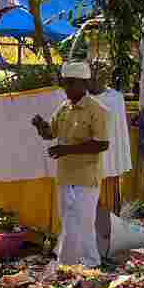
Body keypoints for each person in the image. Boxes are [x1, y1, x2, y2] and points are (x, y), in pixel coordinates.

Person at [32, 61, 110, 268]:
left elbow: (102, 144)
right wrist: (41, 126)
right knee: (68, 223)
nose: (66, 88)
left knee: (84, 223)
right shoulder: (64, 108)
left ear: (83, 84)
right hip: (65, 176)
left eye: (71, 84)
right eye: (65, 83)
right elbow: (51, 134)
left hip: (86, 176)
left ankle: (91, 264)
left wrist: (66, 150)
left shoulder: (97, 109)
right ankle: (67, 263)